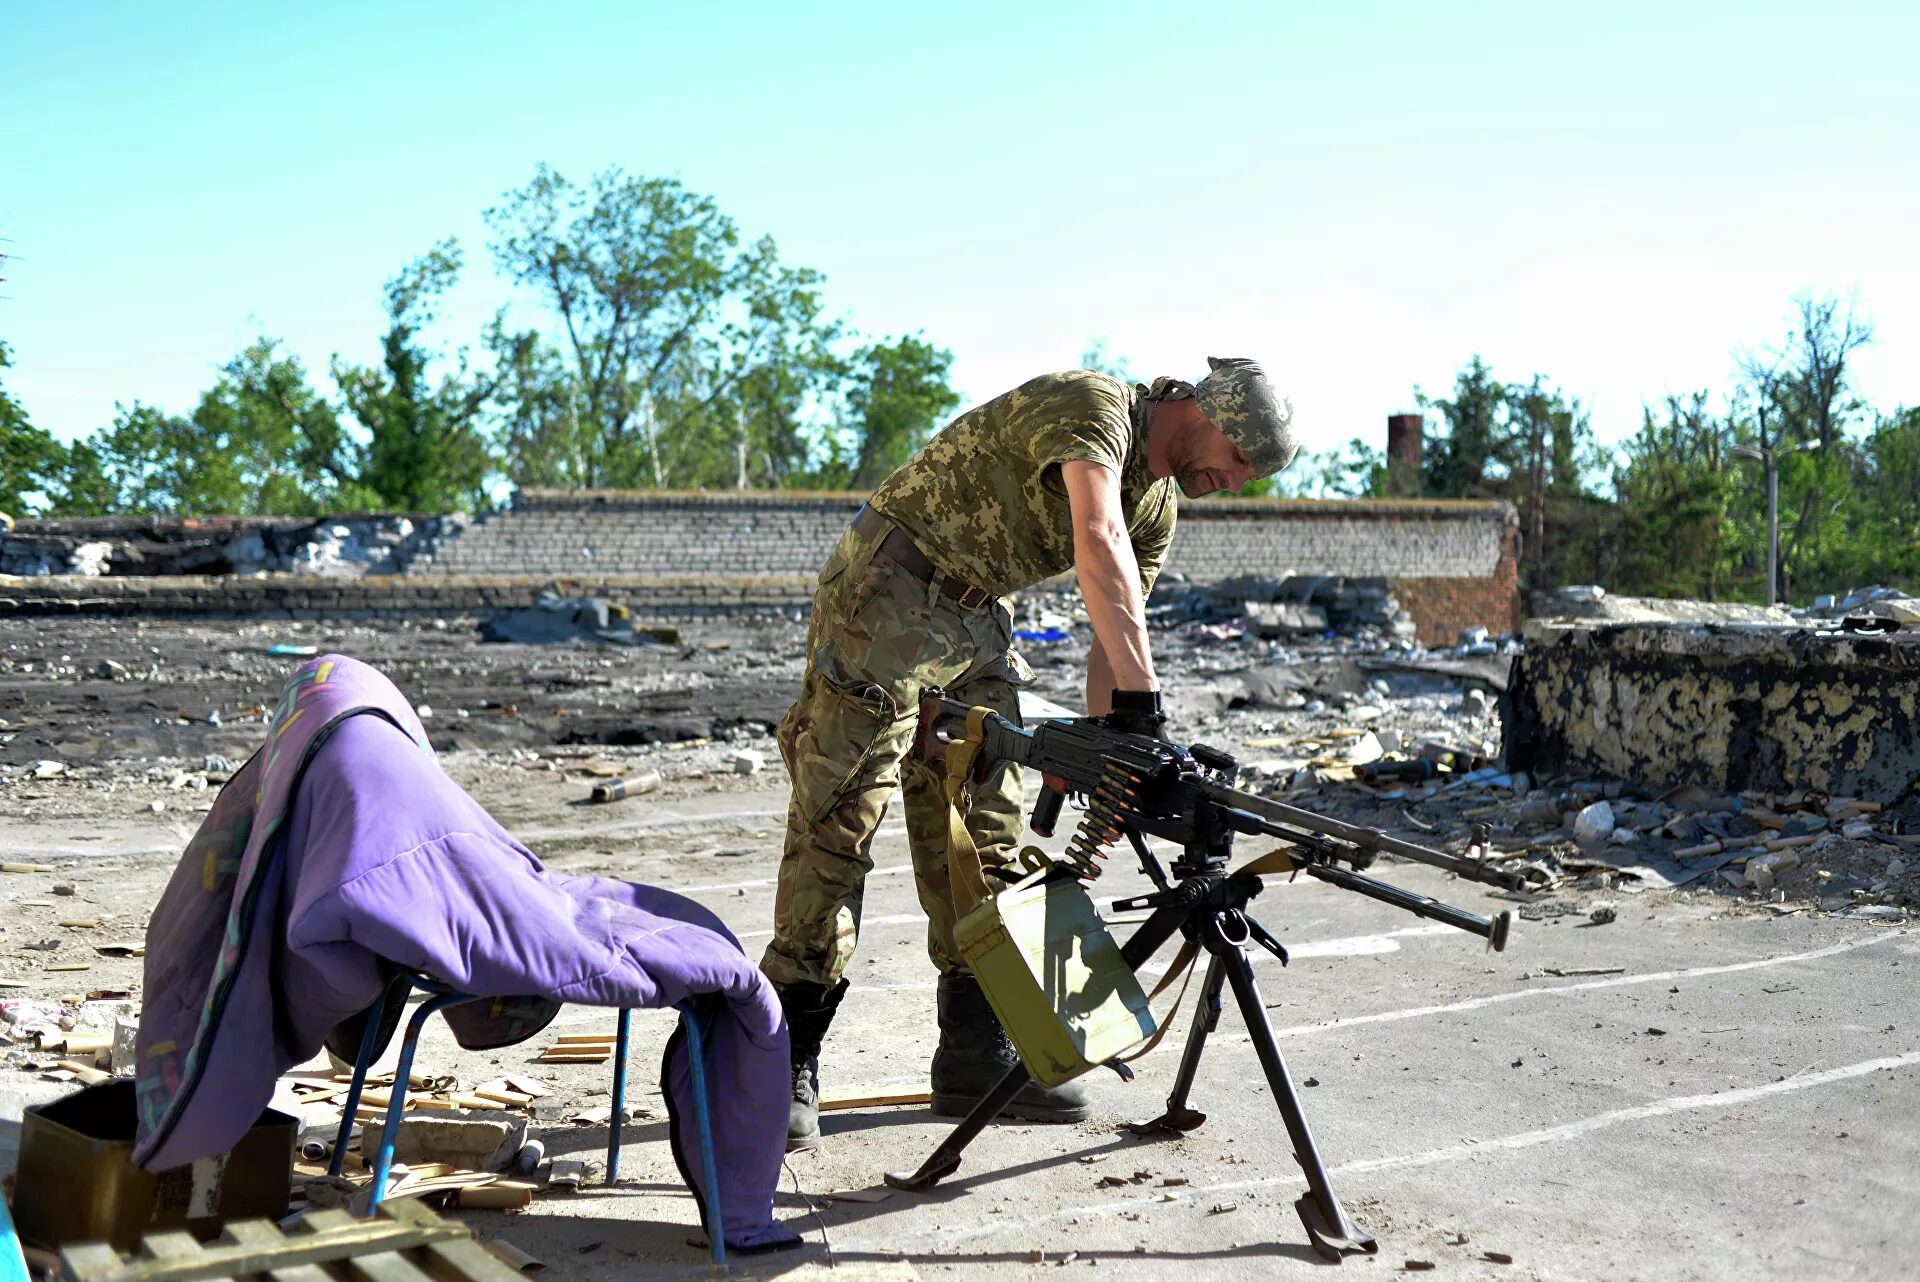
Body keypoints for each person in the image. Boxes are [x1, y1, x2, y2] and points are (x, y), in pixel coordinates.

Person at [763, 357, 1297, 1149]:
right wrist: (1145, 708)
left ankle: (975, 1053)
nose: (1239, 479)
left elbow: (1111, 621)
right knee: (843, 815)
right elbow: (1096, 539)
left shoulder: (1157, 508)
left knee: (988, 831)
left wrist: (1108, 745)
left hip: (977, 620)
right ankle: (782, 1058)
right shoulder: (1094, 410)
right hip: (892, 586)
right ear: (1204, 410)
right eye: (1242, 457)